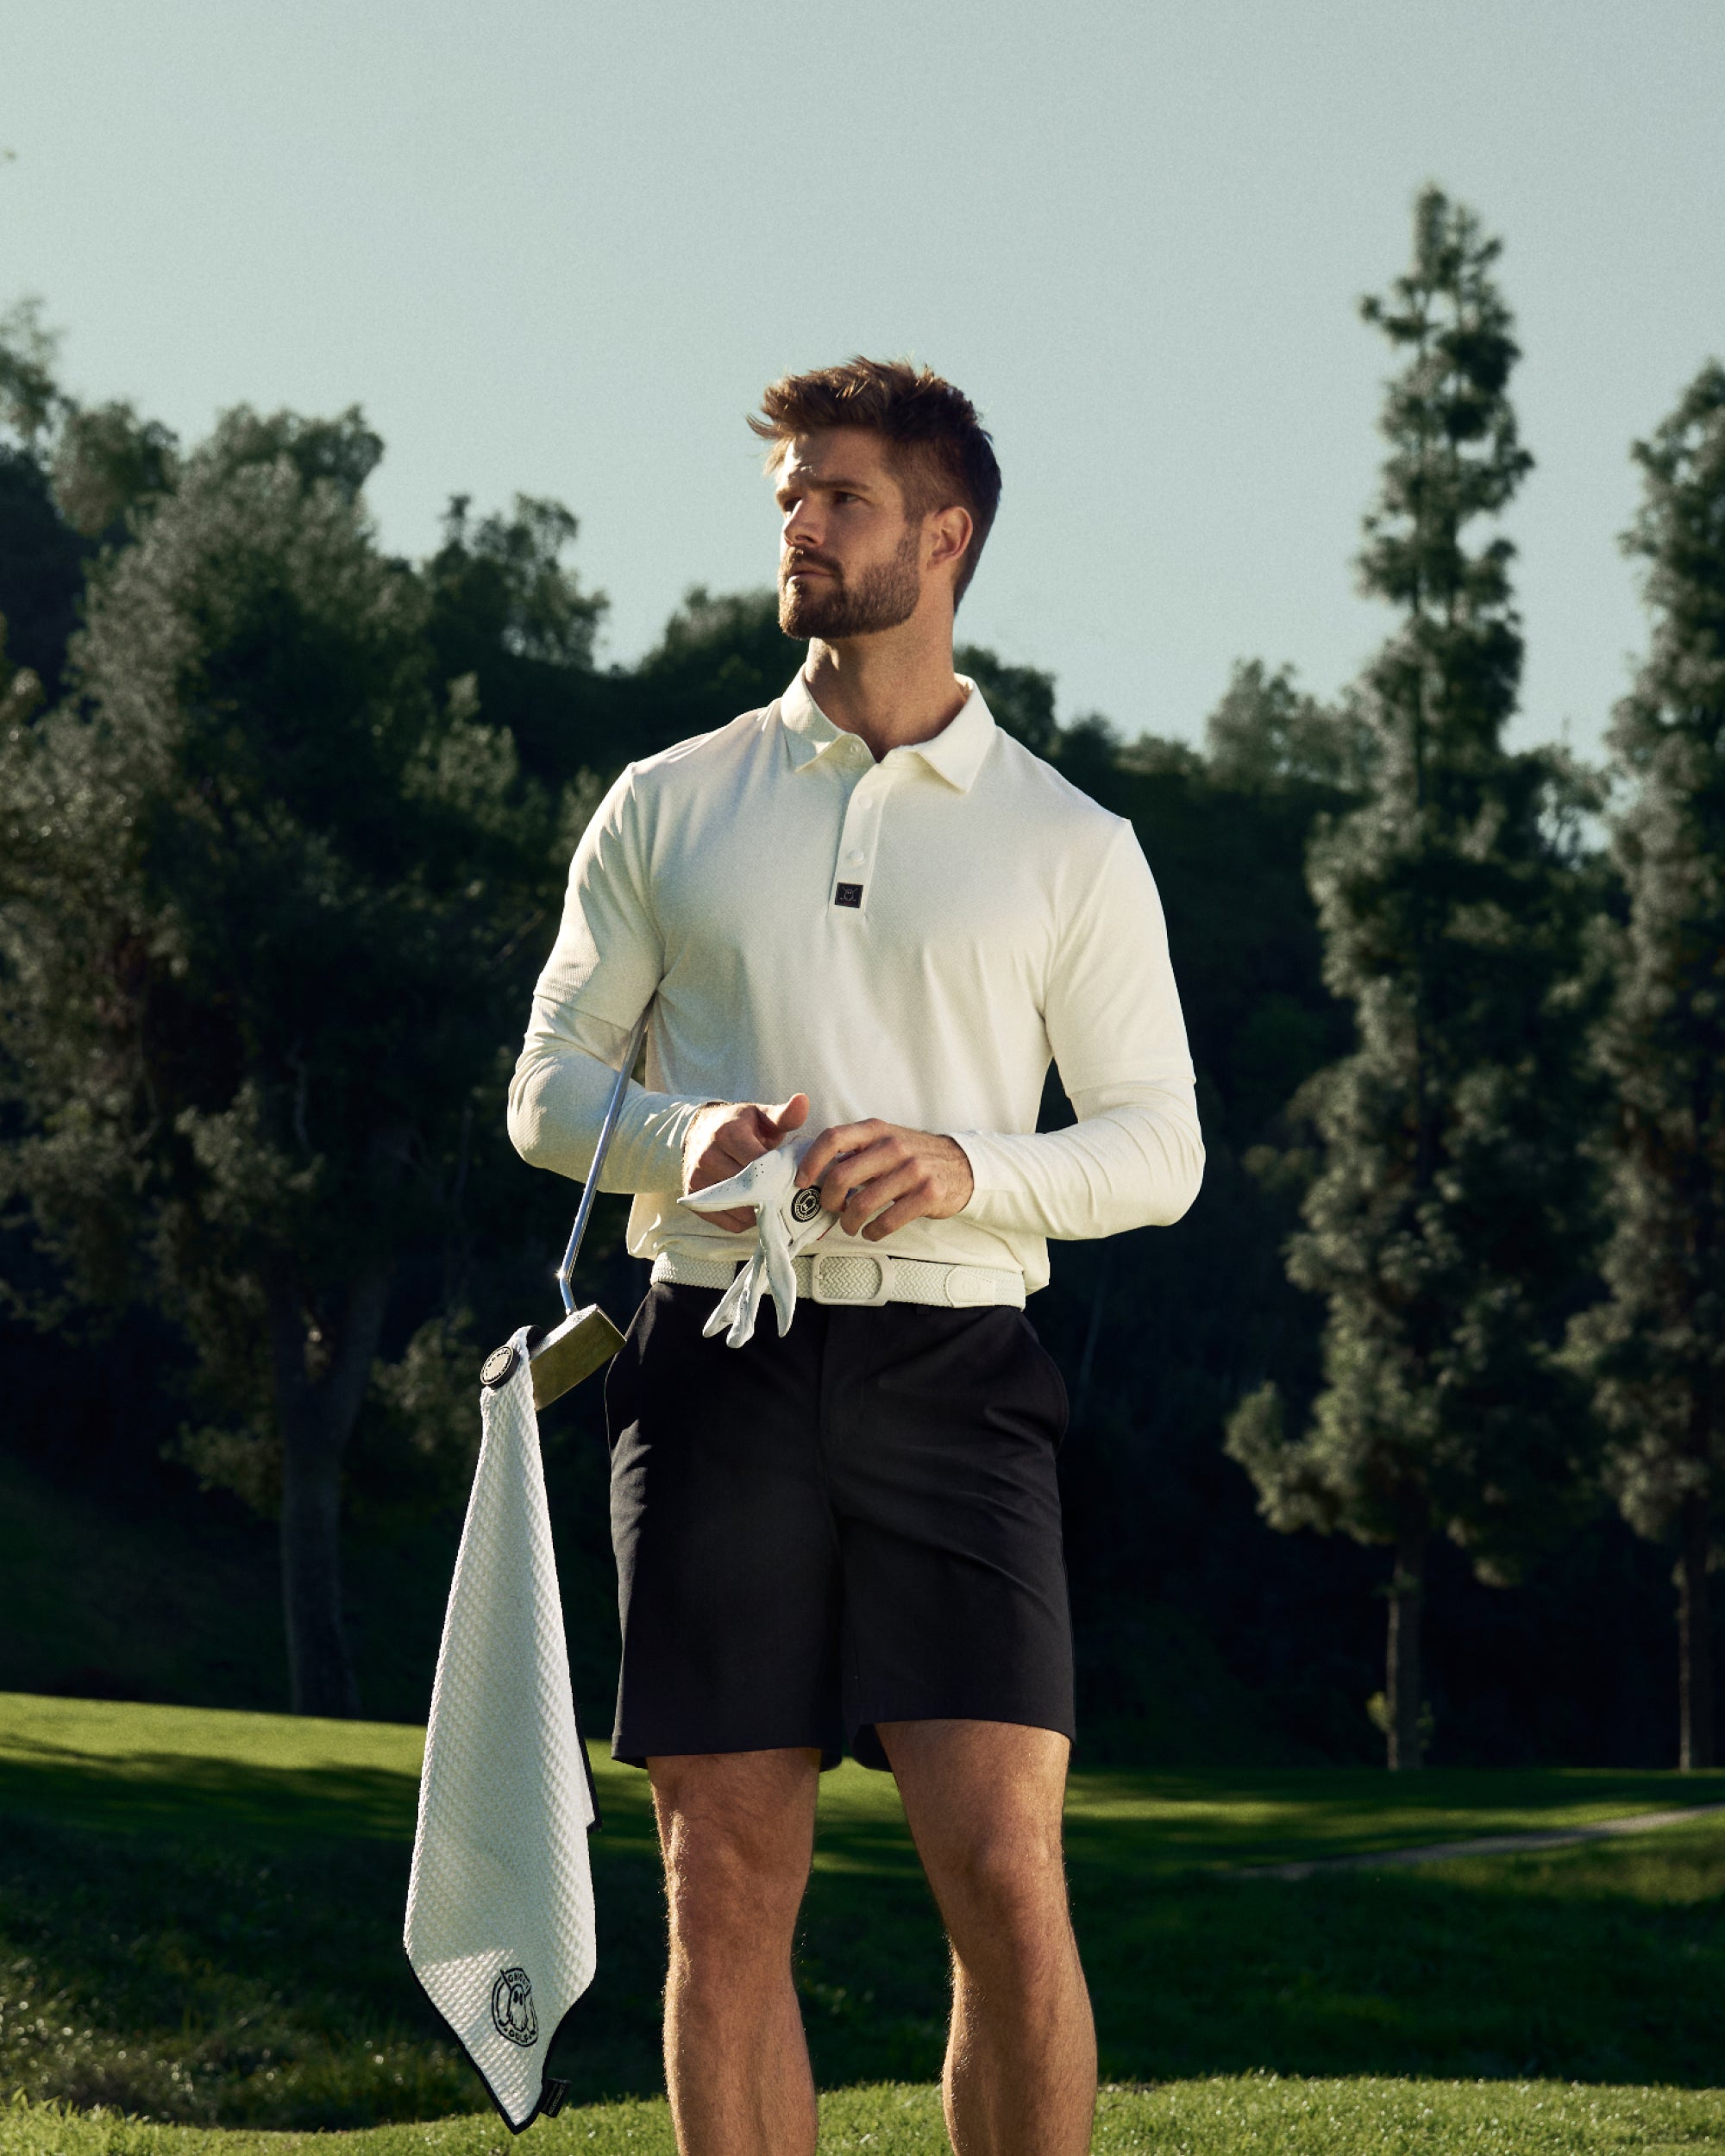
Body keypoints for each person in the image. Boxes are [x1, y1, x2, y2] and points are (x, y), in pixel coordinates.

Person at [508, 358, 1203, 2156]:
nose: (800, 526)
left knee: (1001, 1864)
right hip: (710, 1364)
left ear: (944, 534)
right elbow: (545, 1088)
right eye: (787, 500)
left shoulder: (1071, 843)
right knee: (722, 1872)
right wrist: (684, 1137)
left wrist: (966, 1165)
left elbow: (1160, 1146)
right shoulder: (667, 799)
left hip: (956, 1377)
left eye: (839, 498)